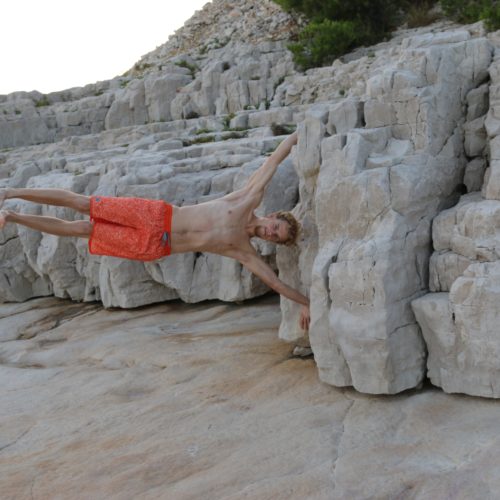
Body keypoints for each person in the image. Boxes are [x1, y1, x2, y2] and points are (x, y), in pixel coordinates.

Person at [0, 131, 310, 329]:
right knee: (82, 204)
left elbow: (274, 282)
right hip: (154, 216)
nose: (271, 232)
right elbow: (274, 160)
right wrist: (299, 133)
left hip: (152, 246)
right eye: (276, 226)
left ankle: (12, 217)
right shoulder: (246, 199)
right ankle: (10, 192)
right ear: (272, 216)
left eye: (276, 237)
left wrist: (305, 303)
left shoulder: (243, 250)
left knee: (80, 229)